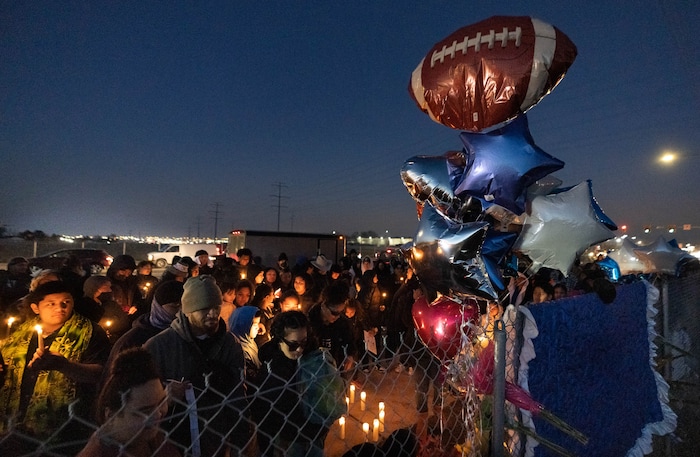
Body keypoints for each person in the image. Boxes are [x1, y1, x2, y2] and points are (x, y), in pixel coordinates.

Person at [0, 281, 110, 454]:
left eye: (66, 302)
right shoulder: (20, 332)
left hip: (66, 428)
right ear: (36, 308)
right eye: (51, 304)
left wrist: (64, 366)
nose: (60, 308)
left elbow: (100, 374)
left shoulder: (90, 332)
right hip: (14, 425)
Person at [143, 275, 248, 456]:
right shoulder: (158, 347)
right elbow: (139, 398)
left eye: (216, 307)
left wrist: (242, 438)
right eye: (204, 309)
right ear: (187, 310)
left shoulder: (230, 344)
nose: (213, 314)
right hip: (172, 440)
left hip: (217, 438)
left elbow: (239, 395)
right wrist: (164, 396)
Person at [77, 347, 179, 457]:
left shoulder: (148, 437)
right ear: (111, 415)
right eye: (145, 411)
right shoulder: (98, 453)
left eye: (161, 402)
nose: (158, 414)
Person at [254, 311, 327, 457]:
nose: (299, 349)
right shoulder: (271, 370)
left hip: (313, 434)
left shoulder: (313, 358)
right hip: (285, 440)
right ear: (279, 339)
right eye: (293, 345)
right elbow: (263, 413)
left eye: (303, 342)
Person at [106, 280, 184, 370]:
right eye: (175, 306)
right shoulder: (133, 340)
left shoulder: (189, 333)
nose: (181, 310)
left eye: (185, 305)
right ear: (158, 307)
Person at [307, 281, 356, 375]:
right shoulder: (309, 322)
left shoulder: (342, 323)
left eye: (341, 312)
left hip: (336, 367)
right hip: (314, 370)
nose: (337, 316)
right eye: (334, 313)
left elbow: (350, 340)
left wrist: (350, 355)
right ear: (324, 306)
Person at [75, 275, 130, 342]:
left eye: (110, 287)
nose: (110, 290)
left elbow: (124, 321)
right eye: (106, 287)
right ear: (94, 289)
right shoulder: (82, 306)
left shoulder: (111, 304)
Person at [228, 306, 262, 381]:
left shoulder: (250, 343)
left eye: (258, 323)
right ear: (242, 325)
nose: (257, 327)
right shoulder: (240, 350)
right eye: (254, 324)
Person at [249, 283, 274, 347]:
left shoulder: (268, 308)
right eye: (272, 294)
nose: (274, 296)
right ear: (267, 297)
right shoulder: (258, 313)